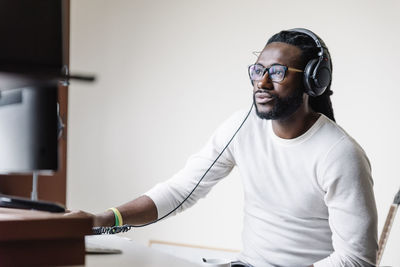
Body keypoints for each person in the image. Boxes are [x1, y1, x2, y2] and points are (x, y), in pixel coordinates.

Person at [78, 29, 378, 266]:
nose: (261, 82)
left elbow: (356, 259)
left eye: (276, 72)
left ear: (314, 81)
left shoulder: (339, 154)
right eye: (257, 70)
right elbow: (183, 189)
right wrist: (107, 218)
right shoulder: (242, 126)